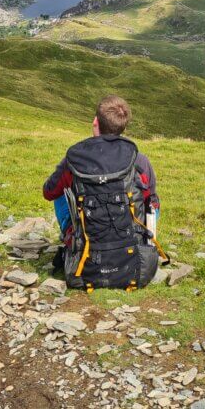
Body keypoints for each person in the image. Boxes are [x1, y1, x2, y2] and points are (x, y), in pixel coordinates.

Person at [43, 95, 166, 290]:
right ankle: (144, 242)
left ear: (95, 122)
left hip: (86, 260)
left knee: (60, 192)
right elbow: (149, 200)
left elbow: (48, 192)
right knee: (152, 199)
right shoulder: (139, 160)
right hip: (134, 259)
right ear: (124, 128)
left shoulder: (74, 159)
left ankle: (72, 240)